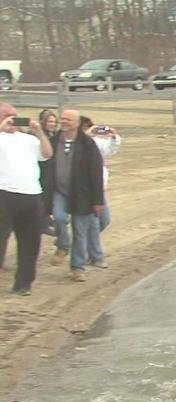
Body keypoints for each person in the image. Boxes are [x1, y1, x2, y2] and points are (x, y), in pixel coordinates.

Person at [0, 102, 52, 295]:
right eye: (7, 116)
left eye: (15, 116)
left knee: (31, 242)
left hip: (31, 194)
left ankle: (23, 283)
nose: (13, 120)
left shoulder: (28, 139)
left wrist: (38, 132)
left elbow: (47, 154)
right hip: (4, 193)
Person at [49, 109, 105, 281]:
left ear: (77, 123)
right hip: (59, 191)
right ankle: (63, 245)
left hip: (82, 196)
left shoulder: (87, 144)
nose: (64, 122)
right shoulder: (53, 140)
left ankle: (77, 268)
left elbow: (96, 173)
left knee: (80, 231)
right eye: (63, 119)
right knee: (58, 218)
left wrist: (97, 200)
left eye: (69, 120)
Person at [80, 116, 121, 232]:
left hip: (98, 187)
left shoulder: (96, 142)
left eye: (88, 127)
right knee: (90, 221)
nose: (86, 130)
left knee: (104, 220)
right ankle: (86, 242)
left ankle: (88, 240)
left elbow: (110, 149)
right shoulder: (74, 142)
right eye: (83, 128)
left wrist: (113, 137)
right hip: (82, 189)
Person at [37, 110, 58, 236]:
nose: (53, 124)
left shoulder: (54, 134)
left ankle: (46, 218)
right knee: (43, 194)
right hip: (42, 168)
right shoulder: (39, 135)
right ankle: (42, 222)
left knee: (50, 193)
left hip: (51, 169)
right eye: (50, 121)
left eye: (54, 122)